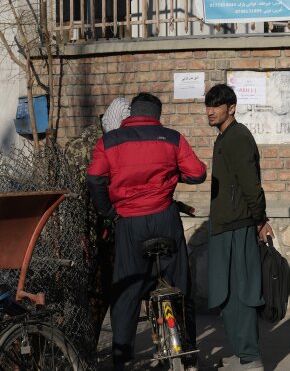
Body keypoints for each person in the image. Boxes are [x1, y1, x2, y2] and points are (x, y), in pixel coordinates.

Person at [87, 93, 206, 370]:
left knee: (126, 292)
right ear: (157, 114)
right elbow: (198, 173)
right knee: (180, 286)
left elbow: (94, 179)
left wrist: (108, 211)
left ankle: (122, 359)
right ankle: (188, 355)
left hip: (130, 223)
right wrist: (175, 175)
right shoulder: (172, 138)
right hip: (165, 217)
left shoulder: (109, 141)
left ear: (131, 114)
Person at [205, 84, 273, 371]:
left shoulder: (238, 138)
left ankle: (250, 358)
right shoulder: (224, 137)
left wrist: (260, 220)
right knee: (226, 295)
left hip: (238, 226)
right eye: (208, 106)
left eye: (216, 106)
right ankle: (245, 354)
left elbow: (250, 185)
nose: (210, 111)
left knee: (241, 294)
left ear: (231, 108)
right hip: (225, 225)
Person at [65, 97, 130, 348]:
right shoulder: (80, 146)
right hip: (90, 235)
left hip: (118, 231)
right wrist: (80, 235)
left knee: (121, 293)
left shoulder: (123, 141)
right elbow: (73, 199)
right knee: (94, 297)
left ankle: (120, 352)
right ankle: (86, 351)